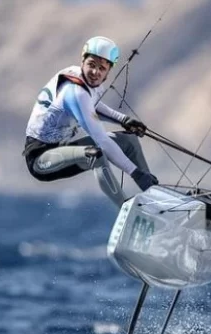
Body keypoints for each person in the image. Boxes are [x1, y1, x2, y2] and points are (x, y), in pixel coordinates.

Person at [23, 36, 158, 207]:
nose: (96, 72)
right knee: (95, 154)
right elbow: (100, 138)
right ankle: (125, 207)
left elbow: (92, 104)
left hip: (62, 148)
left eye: (102, 68)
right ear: (83, 61)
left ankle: (154, 195)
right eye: (91, 65)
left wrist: (124, 119)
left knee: (129, 141)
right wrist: (135, 172)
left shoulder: (85, 84)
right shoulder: (75, 92)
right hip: (40, 160)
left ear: (108, 71)